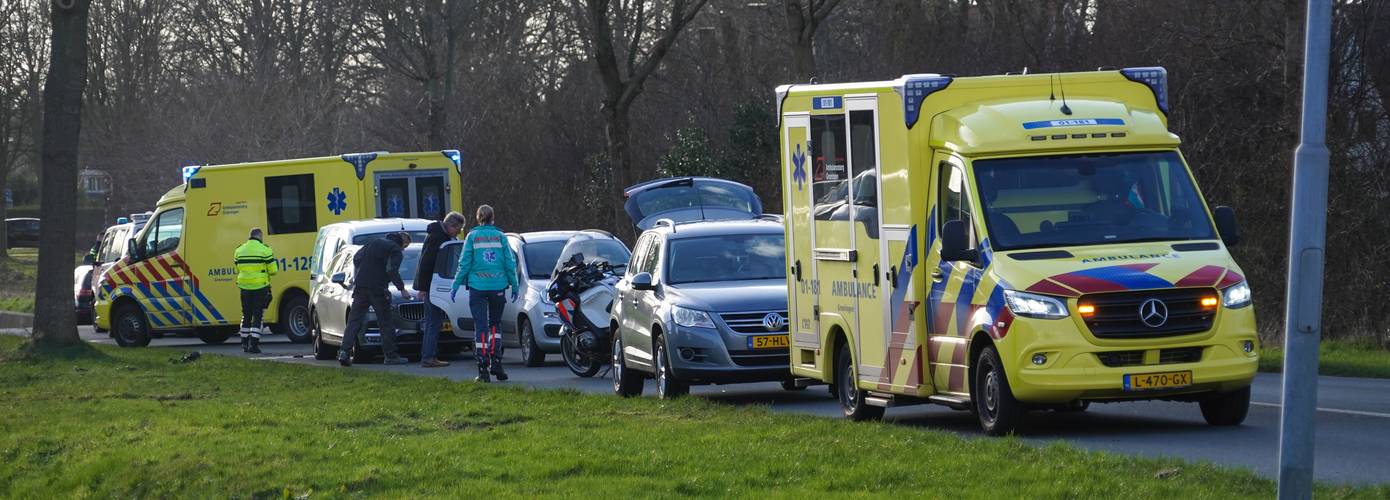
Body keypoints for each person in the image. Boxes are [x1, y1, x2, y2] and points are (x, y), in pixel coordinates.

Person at [449, 205, 518, 383]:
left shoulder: (472, 237)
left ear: (478, 218)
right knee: (495, 326)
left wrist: (455, 285)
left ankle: (482, 369)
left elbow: (464, 263)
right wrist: (515, 285)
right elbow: (510, 264)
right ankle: (496, 363)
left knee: (480, 327)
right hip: (498, 287)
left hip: (477, 288)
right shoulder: (501, 237)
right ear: (492, 217)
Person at [339, 232, 413, 367]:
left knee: (354, 321)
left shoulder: (373, 242)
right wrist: (401, 288)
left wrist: (363, 272)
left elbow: (356, 258)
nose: (404, 249)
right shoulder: (395, 249)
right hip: (378, 289)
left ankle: (344, 352)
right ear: (402, 241)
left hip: (361, 286)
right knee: (386, 322)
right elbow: (391, 270)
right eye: (406, 245)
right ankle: (391, 356)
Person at [414, 211, 467, 368]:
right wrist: (423, 288)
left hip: (432, 284)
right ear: (451, 225)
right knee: (433, 322)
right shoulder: (438, 238)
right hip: (432, 286)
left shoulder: (438, 236)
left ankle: (428, 356)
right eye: (458, 229)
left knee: (432, 321)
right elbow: (426, 263)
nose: (458, 233)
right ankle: (429, 357)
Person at [233, 228, 276, 354]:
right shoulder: (265, 250)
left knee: (246, 314)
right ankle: (254, 345)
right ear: (260, 236)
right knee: (257, 315)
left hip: (244, 287)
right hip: (260, 287)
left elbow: (238, 268)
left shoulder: (239, 250)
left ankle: (244, 343)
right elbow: (273, 271)